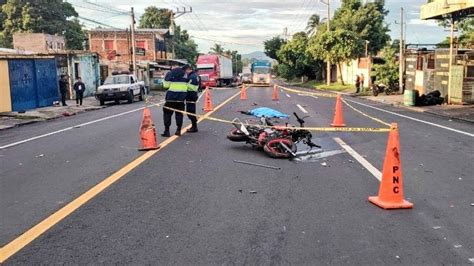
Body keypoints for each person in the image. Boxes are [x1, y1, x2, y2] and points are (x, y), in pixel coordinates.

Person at [161, 65, 190, 137]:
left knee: (167, 113)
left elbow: (165, 86)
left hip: (171, 98)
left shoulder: (170, 73)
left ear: (172, 66)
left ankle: (167, 131)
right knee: (179, 114)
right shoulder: (185, 74)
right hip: (181, 98)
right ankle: (178, 130)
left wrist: (164, 80)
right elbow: (188, 85)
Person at [186, 67, 200, 133]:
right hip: (193, 95)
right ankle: (194, 126)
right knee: (191, 111)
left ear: (189, 69)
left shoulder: (192, 76)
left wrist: (184, 84)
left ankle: (194, 127)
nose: (185, 72)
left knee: (190, 112)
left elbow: (189, 86)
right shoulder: (195, 75)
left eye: (186, 70)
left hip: (191, 95)